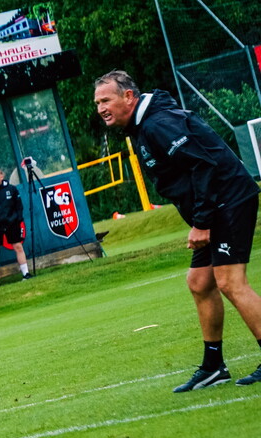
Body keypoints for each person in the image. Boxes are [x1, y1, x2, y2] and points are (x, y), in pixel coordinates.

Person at [94, 69, 261, 392]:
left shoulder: (157, 124)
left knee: (230, 281)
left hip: (227, 201)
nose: (101, 108)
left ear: (128, 97)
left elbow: (203, 165)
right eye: (98, 102)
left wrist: (201, 222)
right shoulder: (143, 124)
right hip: (216, 205)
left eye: (106, 100)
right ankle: (213, 366)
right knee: (200, 282)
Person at [0, 168, 31, 288]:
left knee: (18, 246)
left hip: (11, 223)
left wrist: (18, 218)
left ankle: (26, 274)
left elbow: (18, 205)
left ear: (1, 176)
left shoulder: (11, 189)